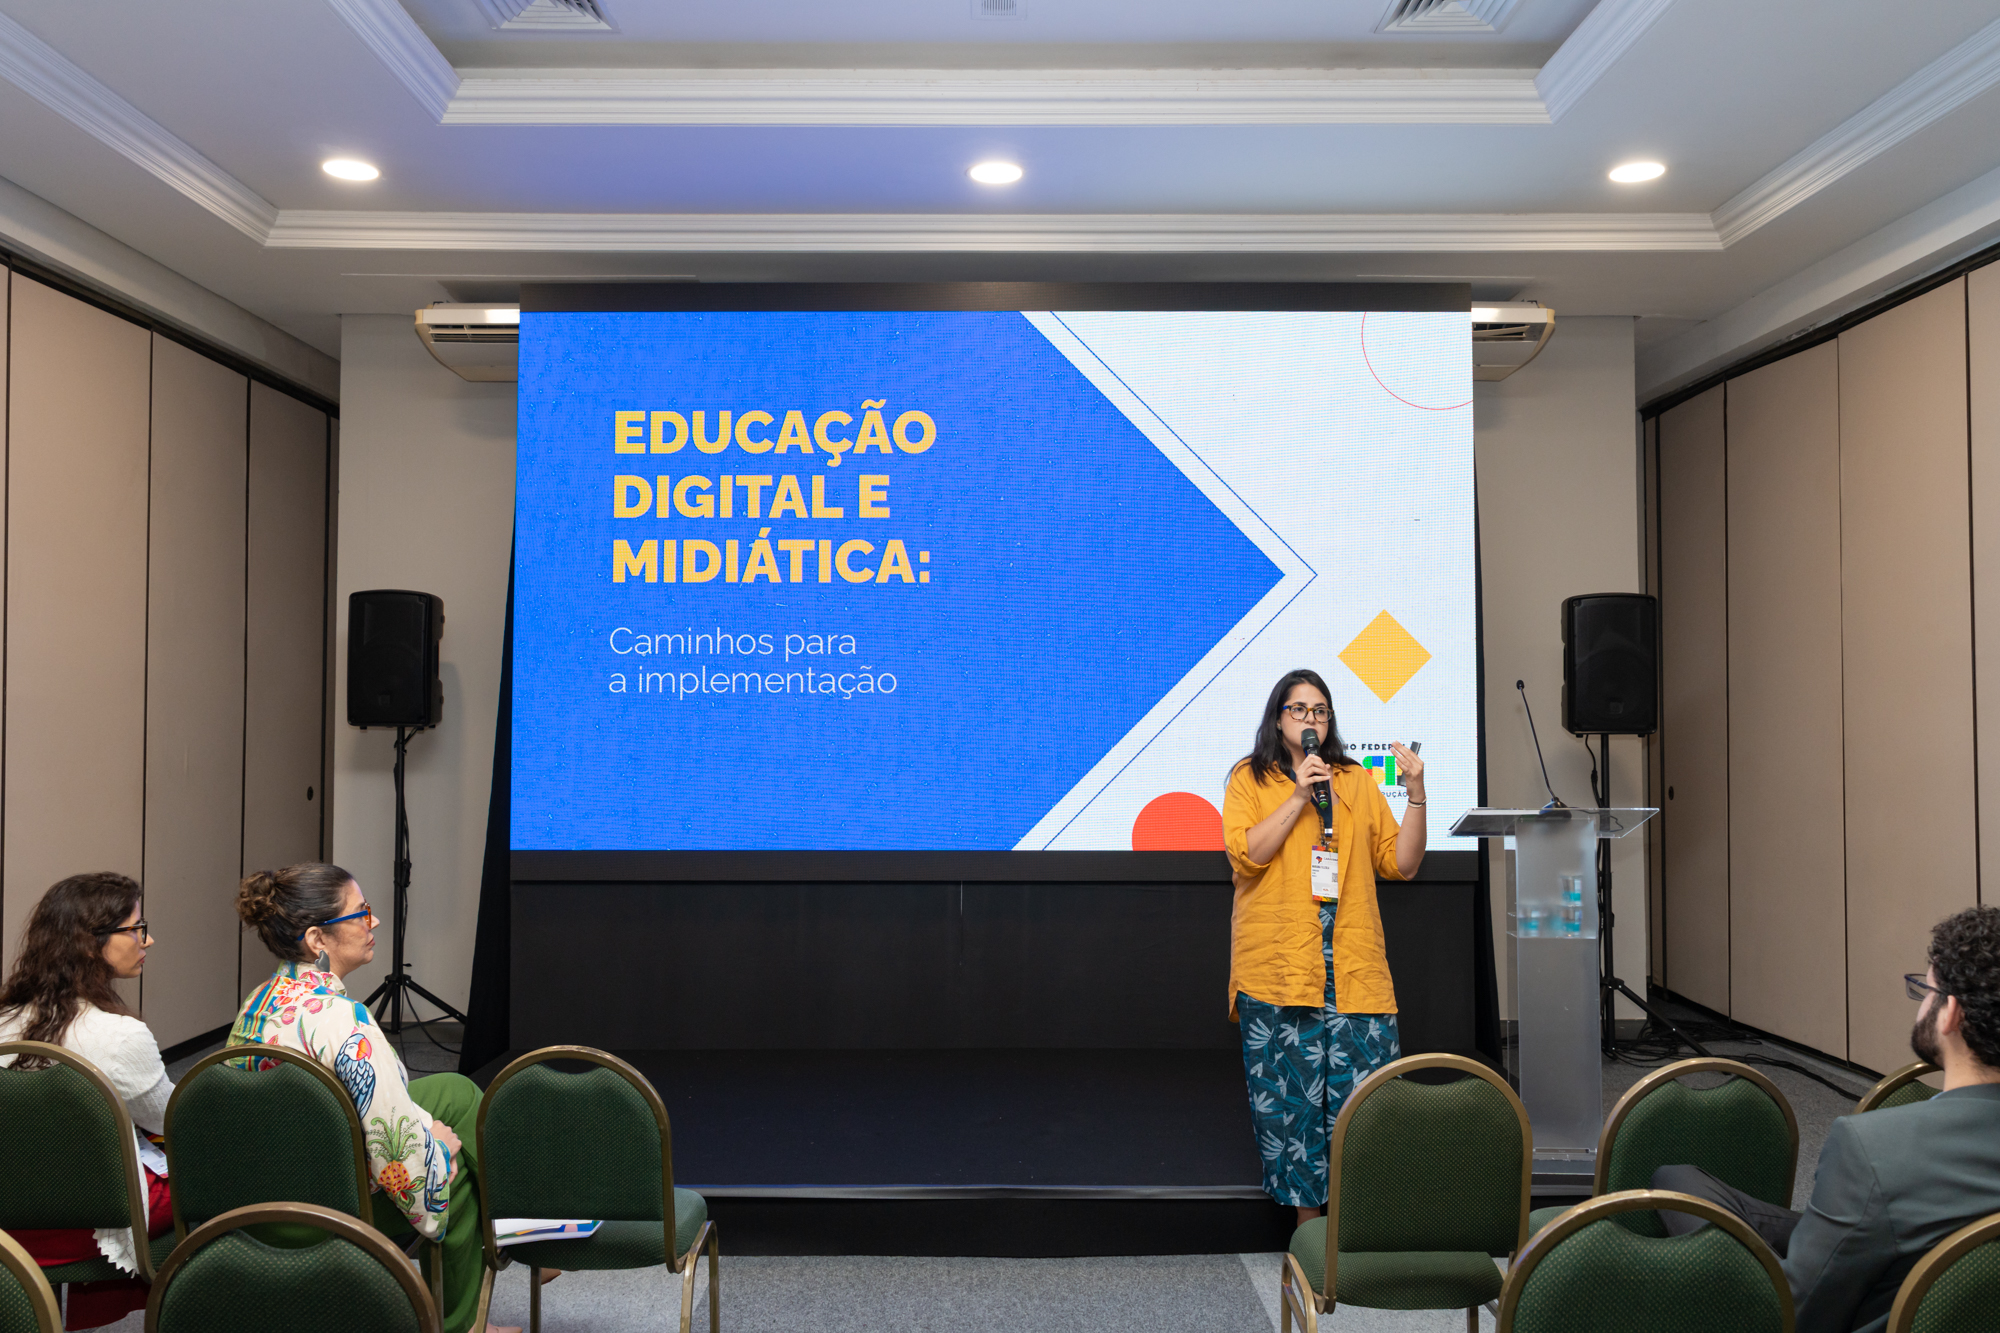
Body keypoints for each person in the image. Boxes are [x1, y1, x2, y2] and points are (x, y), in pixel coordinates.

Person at [1652, 905, 2000, 1333]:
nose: (1922, 1002)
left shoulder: (1874, 1148)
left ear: (1952, 1014)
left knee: (1676, 1186)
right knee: (1680, 1180)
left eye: (1924, 991)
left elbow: (1795, 1317)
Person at [232, 863, 524, 1333]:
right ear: (317, 940)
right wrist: (437, 1152)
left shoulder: (258, 1002)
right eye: (361, 914)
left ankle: (519, 1215)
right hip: (328, 1208)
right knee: (453, 1174)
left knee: (453, 1091)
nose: (375, 922)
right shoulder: (349, 1025)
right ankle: (460, 1323)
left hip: (258, 1195)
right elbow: (403, 1169)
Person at [1223, 668, 1427, 1227]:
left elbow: (1401, 863)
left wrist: (1415, 796)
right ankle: (1309, 1238)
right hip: (1281, 967)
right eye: (1299, 709)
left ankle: (1355, 1232)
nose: (1311, 719)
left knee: (1363, 1107)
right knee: (1291, 1112)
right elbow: (1246, 856)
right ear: (1278, 716)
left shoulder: (1356, 781)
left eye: (1320, 711)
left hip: (1353, 967)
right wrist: (1297, 794)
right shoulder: (1250, 778)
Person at [0, 872, 174, 1328]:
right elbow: (176, 1122)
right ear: (92, 942)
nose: (147, 940)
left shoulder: (3, 1021)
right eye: (137, 929)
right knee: (220, 1167)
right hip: (93, 1221)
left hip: (9, 1218)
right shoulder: (120, 1036)